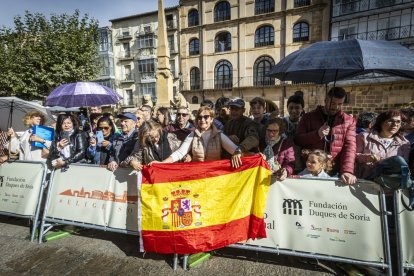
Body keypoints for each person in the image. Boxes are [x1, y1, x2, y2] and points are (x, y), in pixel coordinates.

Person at [294, 87, 357, 185]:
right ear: (325, 101)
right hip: (310, 171)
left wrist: (347, 171)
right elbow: (298, 140)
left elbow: (350, 147)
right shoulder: (308, 117)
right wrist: (317, 134)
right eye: (332, 103)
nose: (336, 107)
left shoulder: (349, 121)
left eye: (340, 104)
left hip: (335, 170)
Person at [152, 106, 242, 168]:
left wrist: (237, 153)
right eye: (200, 117)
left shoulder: (219, 135)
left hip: (214, 176)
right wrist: (162, 164)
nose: (202, 120)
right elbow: (179, 153)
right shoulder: (192, 135)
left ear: (211, 119)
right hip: (198, 176)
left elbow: (236, 150)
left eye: (206, 117)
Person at [355, 110, 410, 180]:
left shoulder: (404, 143)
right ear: (381, 122)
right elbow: (352, 156)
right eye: (390, 121)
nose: (395, 124)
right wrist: (367, 158)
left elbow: (404, 166)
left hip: (389, 185)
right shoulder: (364, 137)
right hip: (365, 182)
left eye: (398, 122)